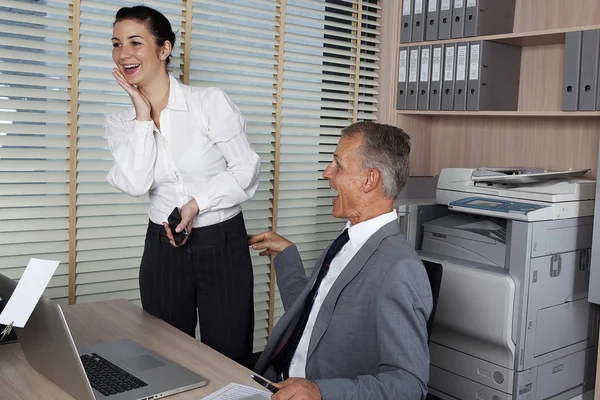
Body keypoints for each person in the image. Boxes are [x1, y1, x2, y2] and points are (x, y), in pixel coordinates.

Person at [105, 5, 260, 367]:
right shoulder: (121, 122)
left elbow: (246, 169)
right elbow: (134, 182)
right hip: (162, 247)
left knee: (229, 355)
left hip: (221, 243)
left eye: (135, 42)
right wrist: (143, 117)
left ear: (164, 49)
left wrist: (195, 204)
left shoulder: (208, 103)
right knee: (163, 356)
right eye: (116, 44)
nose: (123, 54)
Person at [248, 121, 432, 399]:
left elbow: (409, 385)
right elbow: (312, 319)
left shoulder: (399, 269)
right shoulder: (347, 242)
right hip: (276, 383)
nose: (327, 173)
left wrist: (320, 392)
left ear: (370, 179)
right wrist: (287, 255)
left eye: (338, 165)